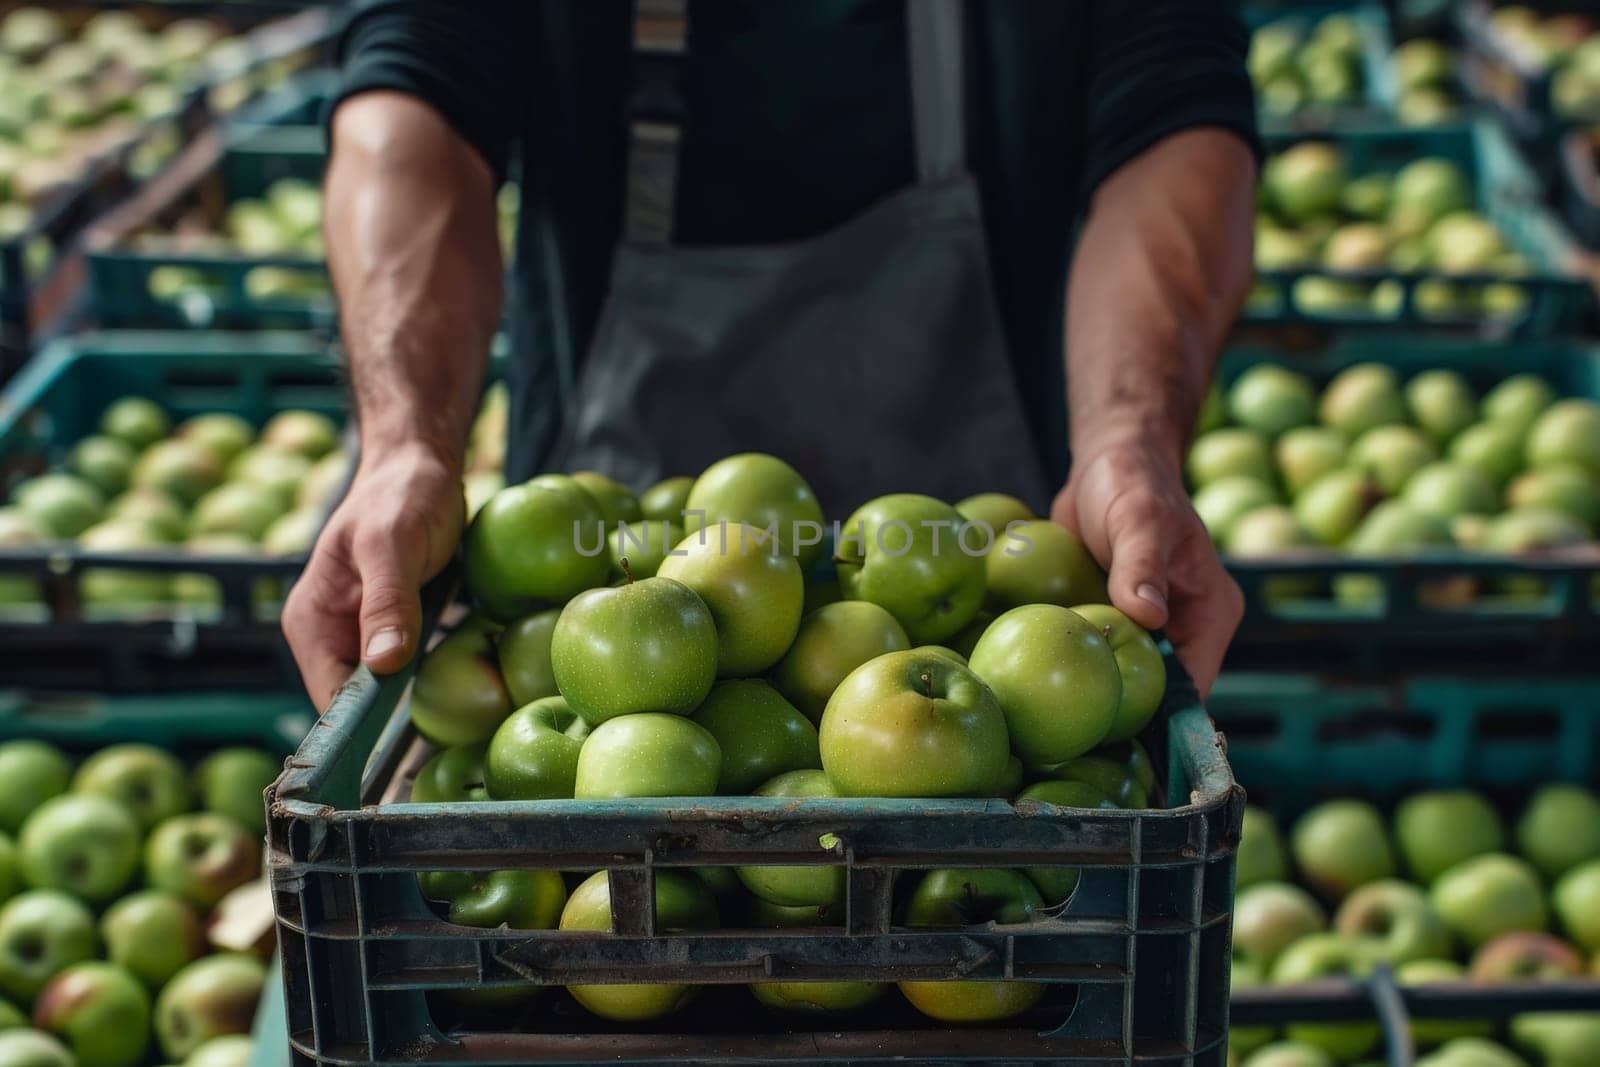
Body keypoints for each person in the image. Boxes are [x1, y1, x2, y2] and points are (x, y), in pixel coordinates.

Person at [283, 0, 1258, 708]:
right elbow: (411, 95)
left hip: (990, 588)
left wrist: (1130, 440)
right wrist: (406, 442)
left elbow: (1173, 109)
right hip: (598, 580)